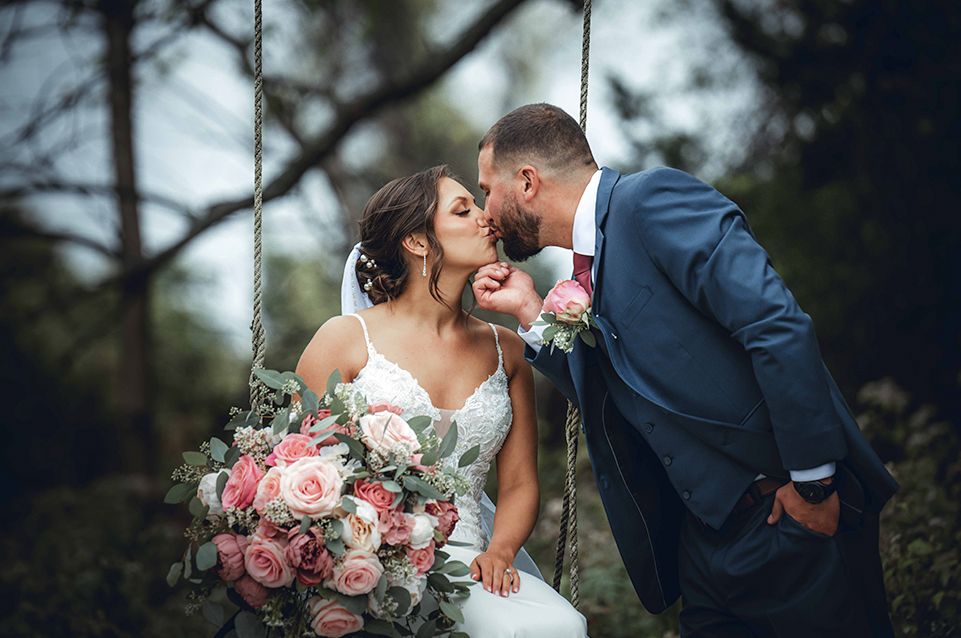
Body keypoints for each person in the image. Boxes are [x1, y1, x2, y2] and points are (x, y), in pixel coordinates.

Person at [472, 103, 899, 637]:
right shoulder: (586, 267)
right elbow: (618, 386)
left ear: (528, 181)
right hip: (702, 552)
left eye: (487, 189)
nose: (486, 211)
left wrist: (813, 485)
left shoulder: (651, 201)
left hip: (787, 521)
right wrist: (531, 311)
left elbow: (776, 325)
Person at [295, 165, 588, 637]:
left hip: (474, 562)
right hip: (367, 565)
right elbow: (290, 463)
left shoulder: (506, 349)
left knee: (561, 626)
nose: (486, 217)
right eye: (463, 209)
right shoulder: (345, 339)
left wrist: (501, 552)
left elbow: (518, 483)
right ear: (417, 240)